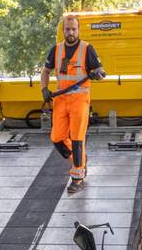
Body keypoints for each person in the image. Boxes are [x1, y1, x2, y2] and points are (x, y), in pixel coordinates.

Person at [41, 14, 106, 193]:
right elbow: (45, 72)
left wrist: (97, 74)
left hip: (79, 99)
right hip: (60, 100)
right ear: (63, 30)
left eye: (74, 29)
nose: (71, 32)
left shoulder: (87, 49)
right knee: (57, 138)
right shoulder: (56, 49)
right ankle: (81, 160)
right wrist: (44, 89)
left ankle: (78, 178)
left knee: (77, 138)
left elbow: (101, 71)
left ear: (78, 30)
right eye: (68, 29)